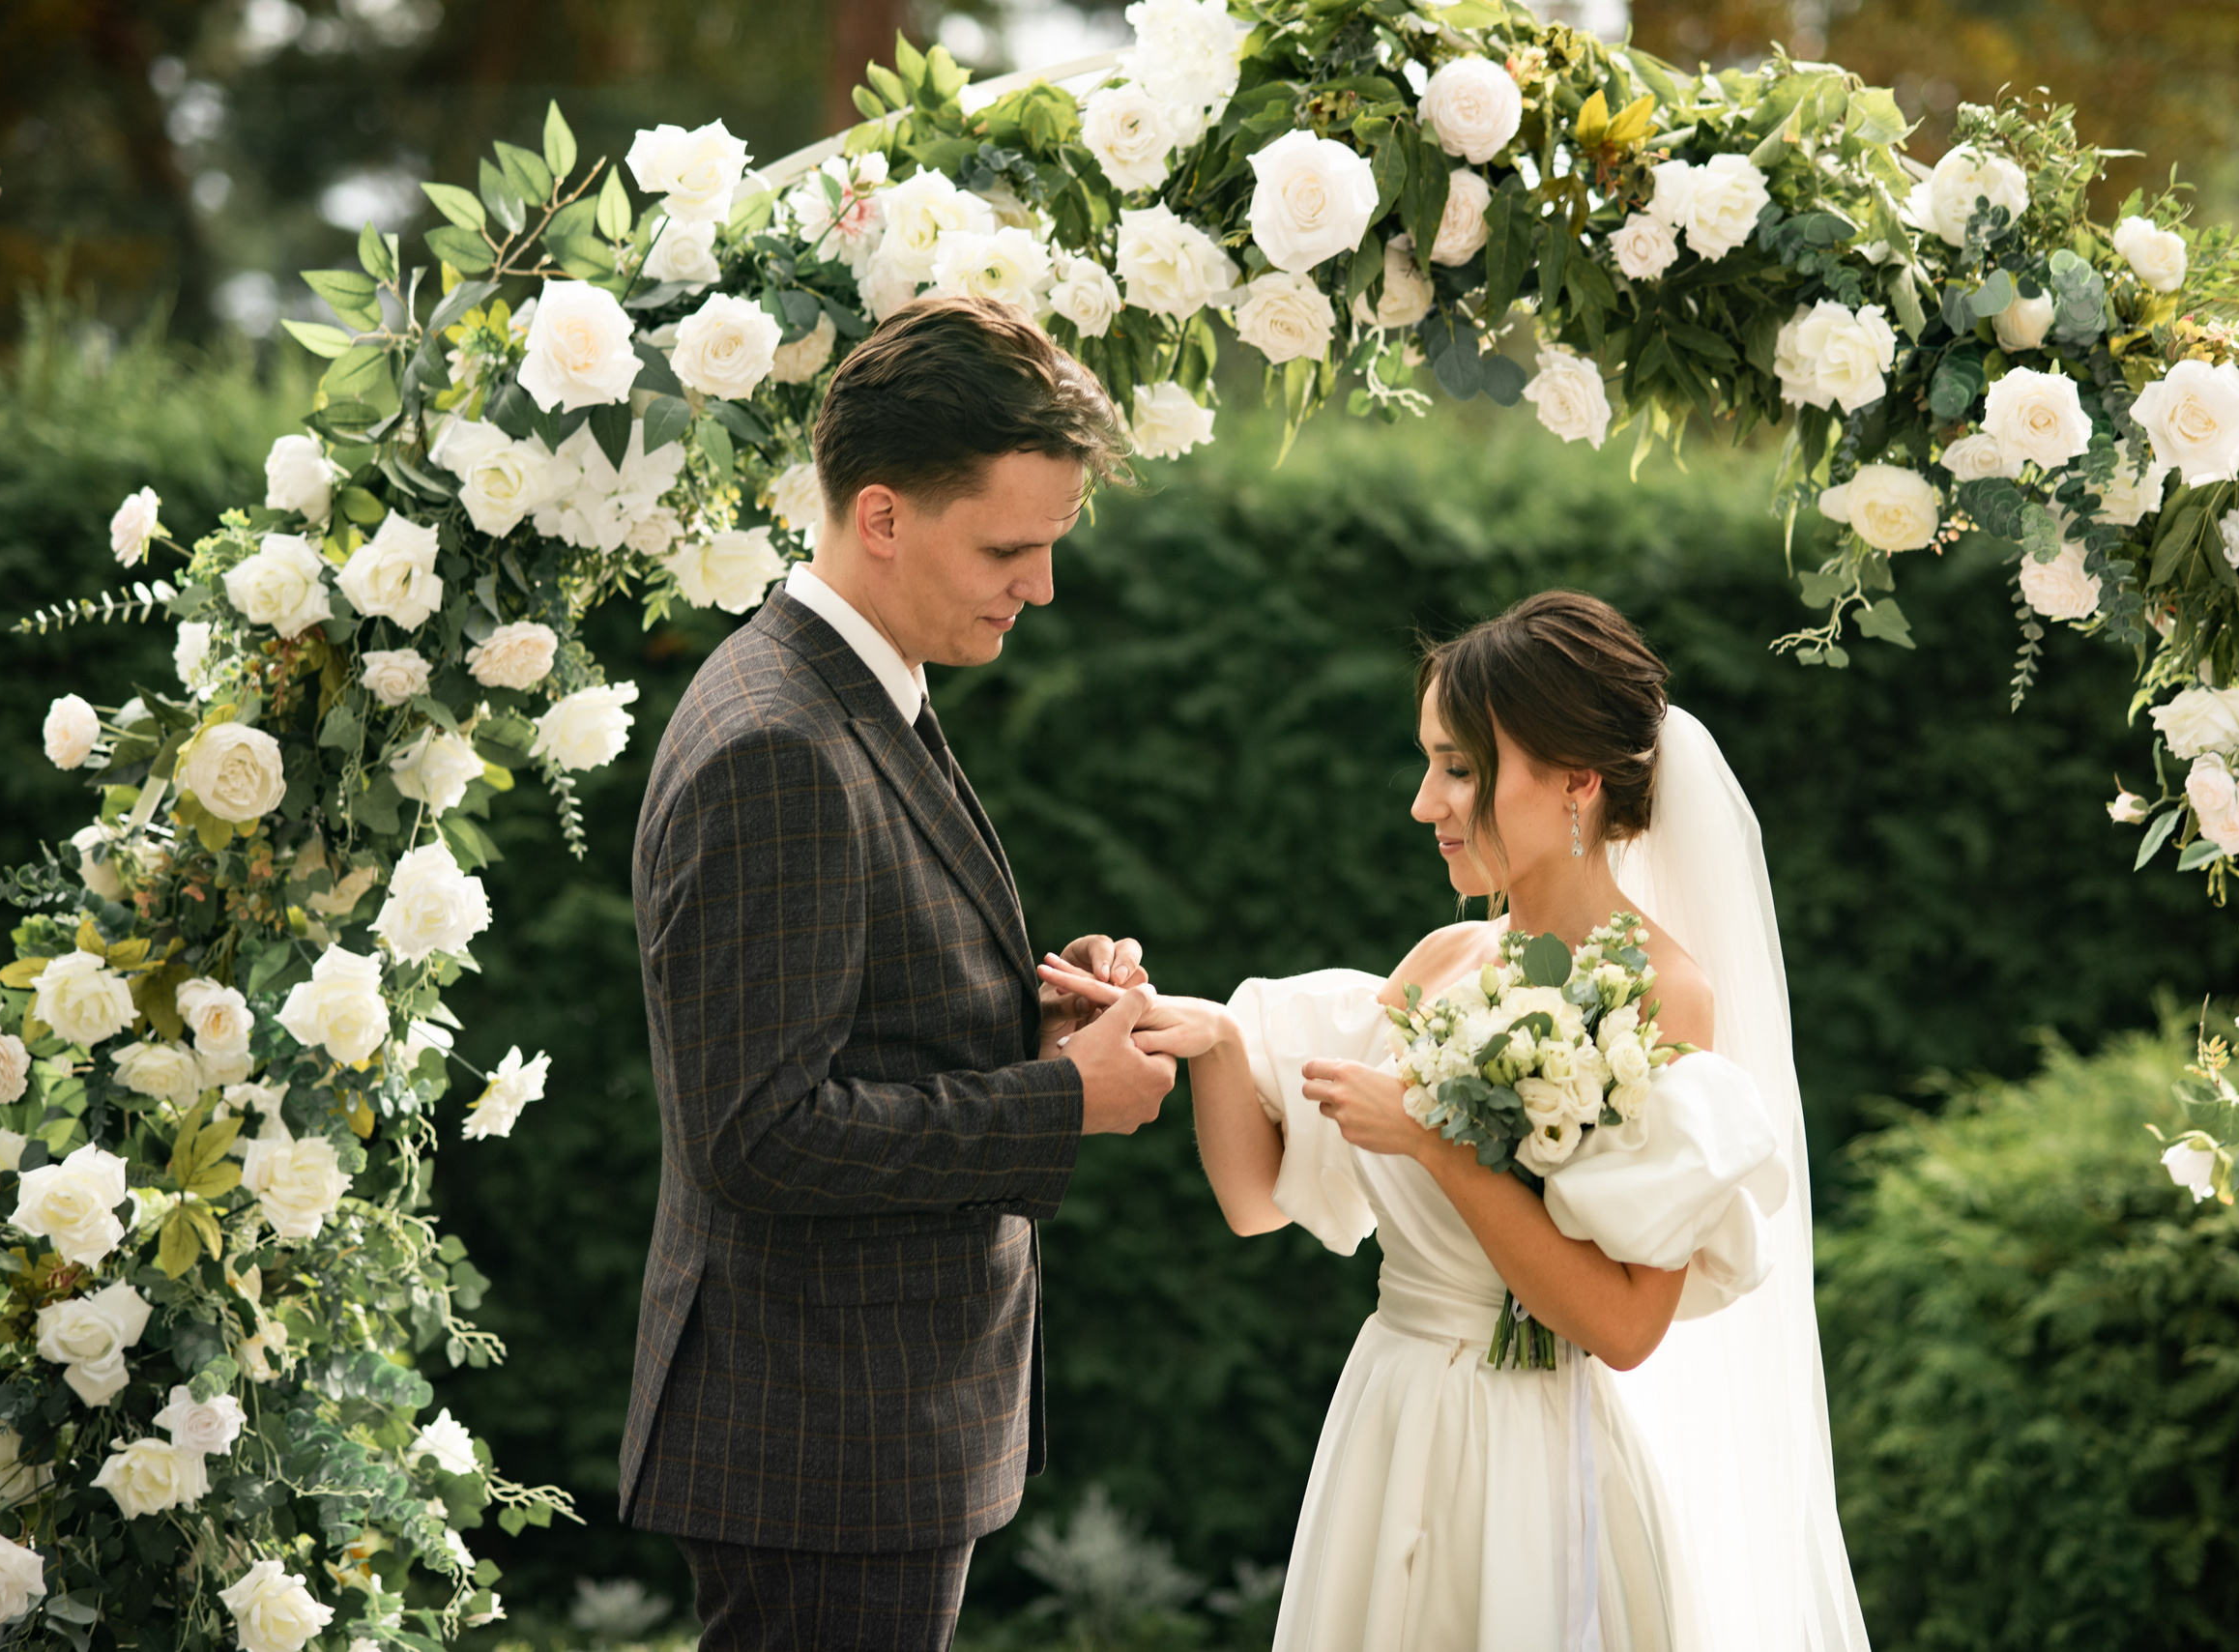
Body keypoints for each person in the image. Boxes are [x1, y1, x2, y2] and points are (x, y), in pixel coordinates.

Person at [1044, 591, 1871, 1650]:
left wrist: (1433, 1137)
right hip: (1389, 1425)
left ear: (1577, 779)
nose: (1424, 801)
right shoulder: (1443, 961)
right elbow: (1259, 1200)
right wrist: (1215, 1042)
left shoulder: (1660, 995)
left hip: (1528, 1451)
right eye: (1430, 762)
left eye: (1460, 767)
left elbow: (1620, 1328)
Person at [619, 296, 1181, 1651]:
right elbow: (757, 1132)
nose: (1039, 584)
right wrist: (1062, 1104)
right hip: (824, 1446)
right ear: (881, 516)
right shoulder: (780, 743)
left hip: (865, 1431)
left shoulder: (860, 691)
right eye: (1009, 546)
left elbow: (850, 1014)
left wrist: (1030, 1014)